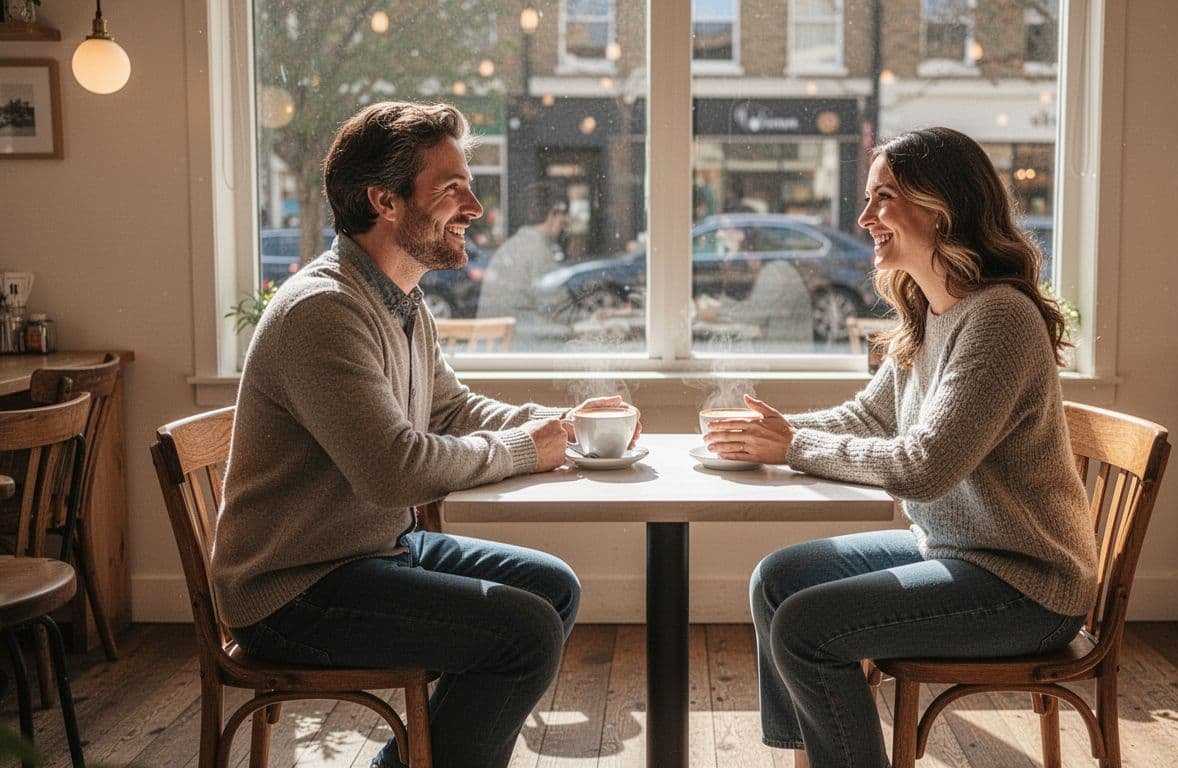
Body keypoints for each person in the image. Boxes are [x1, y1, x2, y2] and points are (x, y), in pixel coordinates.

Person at [212, 102, 638, 768]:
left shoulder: (398, 300)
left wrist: (561, 426)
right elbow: (394, 471)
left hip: (370, 553)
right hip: (294, 593)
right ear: (385, 201)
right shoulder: (324, 310)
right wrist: (529, 449)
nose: (475, 205)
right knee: (522, 633)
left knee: (553, 590)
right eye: (452, 189)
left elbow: (449, 409)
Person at [703, 127, 1095, 768]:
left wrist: (792, 446)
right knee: (778, 582)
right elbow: (870, 415)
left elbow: (924, 466)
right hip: (954, 552)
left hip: (1027, 588)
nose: (863, 219)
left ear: (941, 206)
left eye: (883, 197)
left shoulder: (1000, 319)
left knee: (806, 628)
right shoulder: (931, 310)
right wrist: (769, 432)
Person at [694, 221, 814, 350]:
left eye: (725, 229)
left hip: (786, 356)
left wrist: (717, 310)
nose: (719, 234)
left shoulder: (775, 271)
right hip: (782, 351)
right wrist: (719, 304)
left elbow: (754, 315)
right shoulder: (774, 268)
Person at [477, 181, 569, 349]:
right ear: (552, 214)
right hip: (521, 346)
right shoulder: (537, 250)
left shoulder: (514, 245)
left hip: (499, 344)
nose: (566, 220)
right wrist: (592, 322)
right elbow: (558, 310)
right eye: (563, 214)